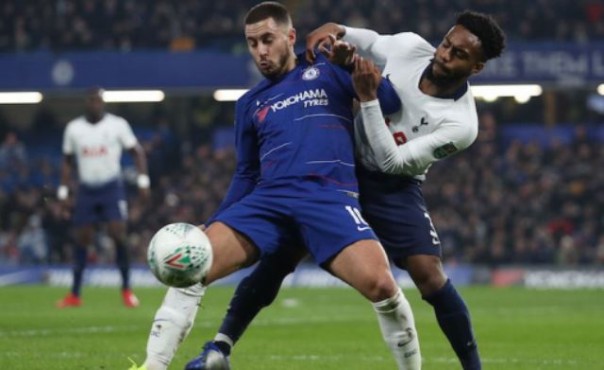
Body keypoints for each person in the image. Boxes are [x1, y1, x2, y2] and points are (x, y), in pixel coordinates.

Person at [182, 10, 506, 370]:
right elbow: (358, 38)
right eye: (446, 43)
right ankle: (219, 348)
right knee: (281, 258)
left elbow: (392, 164)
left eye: (459, 55)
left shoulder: (461, 124)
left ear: (476, 67)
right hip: (339, 166)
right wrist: (332, 32)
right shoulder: (410, 47)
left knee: (429, 274)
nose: (444, 54)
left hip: (392, 186)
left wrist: (367, 99)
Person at [130, 2, 421, 370]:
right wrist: (215, 220)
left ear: (291, 37)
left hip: (327, 197)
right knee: (193, 264)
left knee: (382, 286)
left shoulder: (329, 70)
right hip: (269, 201)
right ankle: (152, 366)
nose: (260, 52)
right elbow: (246, 174)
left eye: (268, 40)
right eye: (252, 44)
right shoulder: (249, 103)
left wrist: (351, 64)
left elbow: (392, 102)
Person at [56, 87, 150, 308]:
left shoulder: (117, 125)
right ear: (86, 103)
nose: (94, 104)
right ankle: (75, 294)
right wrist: (63, 191)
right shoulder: (74, 128)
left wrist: (143, 182)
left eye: (98, 100)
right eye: (91, 100)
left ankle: (127, 290)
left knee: (118, 233)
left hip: (111, 187)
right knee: (82, 238)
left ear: (103, 102)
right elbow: (67, 161)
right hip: (86, 188)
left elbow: (137, 152)